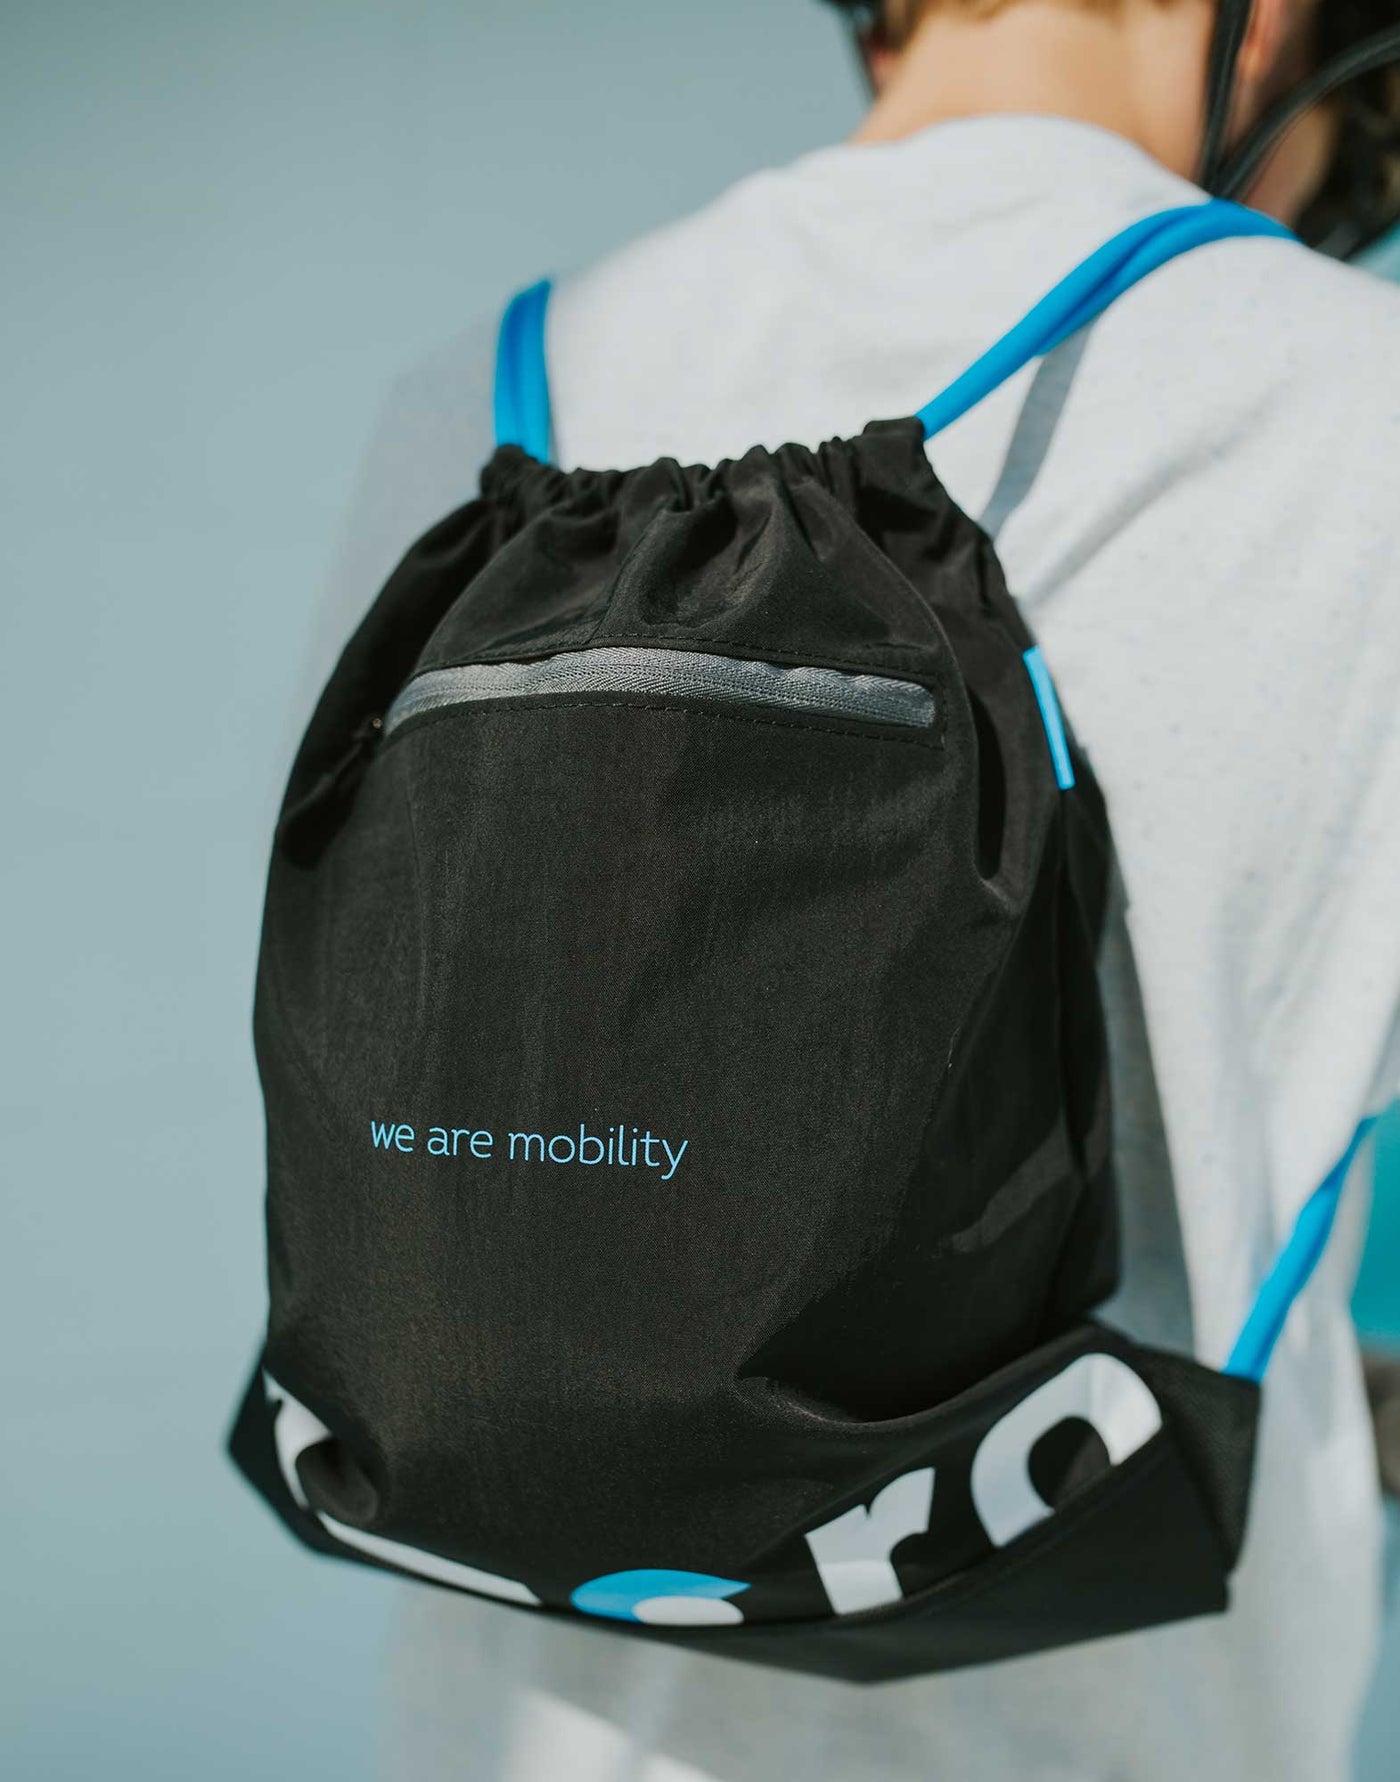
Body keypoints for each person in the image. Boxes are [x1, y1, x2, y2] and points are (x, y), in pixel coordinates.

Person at [314, 2, 1400, 1777]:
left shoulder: (479, 390)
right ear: (1273, 24)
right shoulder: (1360, 391)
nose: (1309, 218)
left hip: (524, 1726)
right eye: (1345, 166)